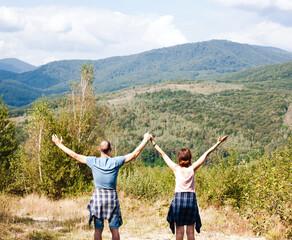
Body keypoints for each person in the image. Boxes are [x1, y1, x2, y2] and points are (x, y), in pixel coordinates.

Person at [52, 132, 151, 240]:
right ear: (110, 150)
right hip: (111, 199)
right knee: (114, 230)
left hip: (98, 198)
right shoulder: (116, 162)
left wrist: (59, 144)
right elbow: (134, 153)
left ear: (99, 150)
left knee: (98, 230)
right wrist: (146, 139)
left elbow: (74, 155)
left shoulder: (93, 161)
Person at [150, 135, 228, 240]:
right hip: (190, 200)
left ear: (179, 158)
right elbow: (206, 154)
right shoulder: (193, 168)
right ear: (190, 157)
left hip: (178, 200)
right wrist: (218, 143)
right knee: (190, 232)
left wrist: (153, 142)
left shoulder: (175, 168)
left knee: (179, 232)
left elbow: (162, 154)